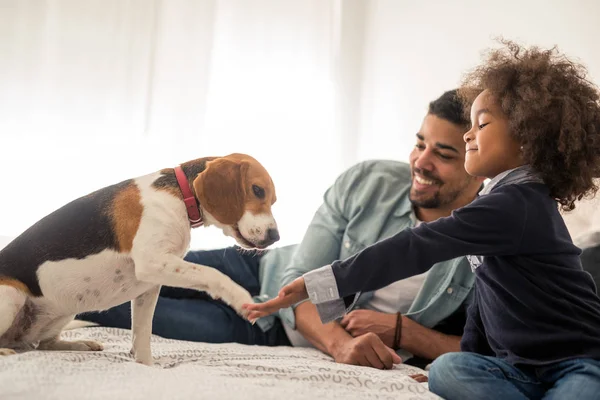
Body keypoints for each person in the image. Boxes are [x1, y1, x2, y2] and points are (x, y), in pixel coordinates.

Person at [244, 40, 600, 399]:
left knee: (582, 389)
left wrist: (323, 282)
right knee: (446, 369)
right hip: (521, 369)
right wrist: (474, 355)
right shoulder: (498, 201)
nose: (468, 134)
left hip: (577, 359)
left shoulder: (518, 204)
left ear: (527, 137)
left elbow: (416, 246)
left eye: (482, 124)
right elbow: (488, 298)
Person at [78, 89, 486, 368]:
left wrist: (406, 333)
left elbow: (493, 348)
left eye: (443, 154)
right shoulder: (368, 181)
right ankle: (18, 271)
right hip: (259, 269)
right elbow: (300, 278)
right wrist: (342, 346)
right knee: (115, 268)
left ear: (477, 162)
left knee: (104, 305)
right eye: (419, 144)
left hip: (265, 329)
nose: (420, 162)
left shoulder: (491, 241)